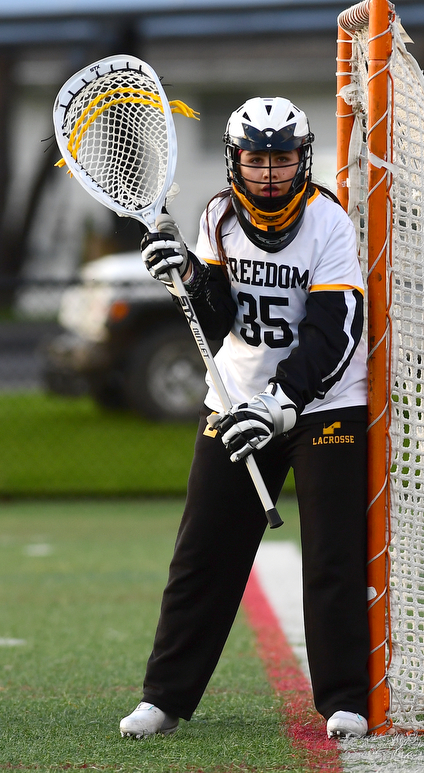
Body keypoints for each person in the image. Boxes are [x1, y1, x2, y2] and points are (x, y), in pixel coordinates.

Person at [119, 97, 370, 740]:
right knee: (203, 548)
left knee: (333, 549)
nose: (267, 172)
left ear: (301, 159)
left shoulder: (329, 224)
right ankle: (165, 698)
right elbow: (215, 320)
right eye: (255, 159)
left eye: (281, 158)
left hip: (320, 400)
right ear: (236, 160)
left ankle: (345, 698)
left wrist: (280, 405)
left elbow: (334, 332)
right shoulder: (217, 216)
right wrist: (184, 280)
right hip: (235, 399)